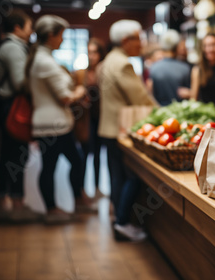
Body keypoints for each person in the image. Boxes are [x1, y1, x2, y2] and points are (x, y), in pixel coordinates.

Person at [27, 15, 91, 223]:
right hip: (53, 124)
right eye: (61, 35)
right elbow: (65, 97)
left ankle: (70, 202)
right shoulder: (44, 61)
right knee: (65, 163)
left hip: (51, 123)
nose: (62, 40)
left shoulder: (42, 58)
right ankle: (54, 209)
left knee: (62, 163)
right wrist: (80, 90)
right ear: (50, 36)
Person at [98, 19, 157, 241]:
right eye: (138, 37)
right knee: (132, 176)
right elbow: (140, 99)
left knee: (116, 176)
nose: (141, 43)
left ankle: (119, 219)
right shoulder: (123, 63)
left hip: (109, 128)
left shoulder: (109, 60)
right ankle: (122, 222)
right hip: (120, 130)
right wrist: (167, 114)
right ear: (125, 40)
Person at [0, 9, 39, 222]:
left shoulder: (10, 46)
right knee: (16, 156)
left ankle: (8, 204)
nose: (31, 32)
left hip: (8, 106)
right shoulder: (13, 48)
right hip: (13, 107)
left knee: (9, 156)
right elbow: (21, 82)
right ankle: (15, 206)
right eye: (29, 26)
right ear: (18, 27)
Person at [73, 38, 107, 201]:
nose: (92, 56)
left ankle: (97, 187)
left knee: (99, 155)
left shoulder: (104, 72)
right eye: (89, 52)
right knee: (84, 154)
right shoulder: (81, 73)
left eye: (95, 52)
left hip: (101, 118)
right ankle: (81, 190)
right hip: (85, 120)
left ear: (100, 54)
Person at [187, 33, 215, 109]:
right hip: (206, 114)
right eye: (206, 46)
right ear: (202, 48)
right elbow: (193, 98)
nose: (210, 49)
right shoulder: (197, 70)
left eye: (214, 45)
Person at [149, 29, 191, 106]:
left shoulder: (153, 68)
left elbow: (150, 93)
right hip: (181, 113)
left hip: (160, 113)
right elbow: (190, 95)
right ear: (177, 46)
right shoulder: (185, 68)